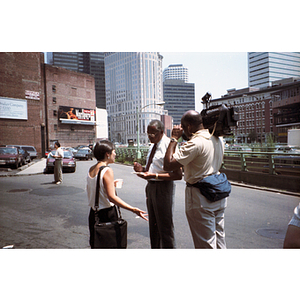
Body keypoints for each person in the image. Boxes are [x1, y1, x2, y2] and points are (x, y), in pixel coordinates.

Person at [164, 110, 228, 249]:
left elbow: (168, 164)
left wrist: (174, 138)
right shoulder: (217, 138)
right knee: (219, 240)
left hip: (200, 197)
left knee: (205, 244)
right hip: (218, 192)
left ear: (188, 127)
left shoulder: (195, 143)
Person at [87, 140, 148, 249]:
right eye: (114, 151)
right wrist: (133, 209)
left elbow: (96, 187)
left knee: (97, 245)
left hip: (93, 214)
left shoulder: (91, 169)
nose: (115, 154)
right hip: (107, 214)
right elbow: (112, 197)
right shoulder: (107, 170)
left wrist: (111, 184)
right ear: (107, 154)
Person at [133, 120, 182, 248]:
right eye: (148, 133)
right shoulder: (153, 146)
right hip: (151, 186)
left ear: (161, 132)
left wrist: (154, 176)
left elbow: (177, 175)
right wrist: (142, 169)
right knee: (153, 225)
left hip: (163, 188)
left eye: (153, 134)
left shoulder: (169, 145)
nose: (150, 136)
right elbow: (153, 169)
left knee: (165, 226)